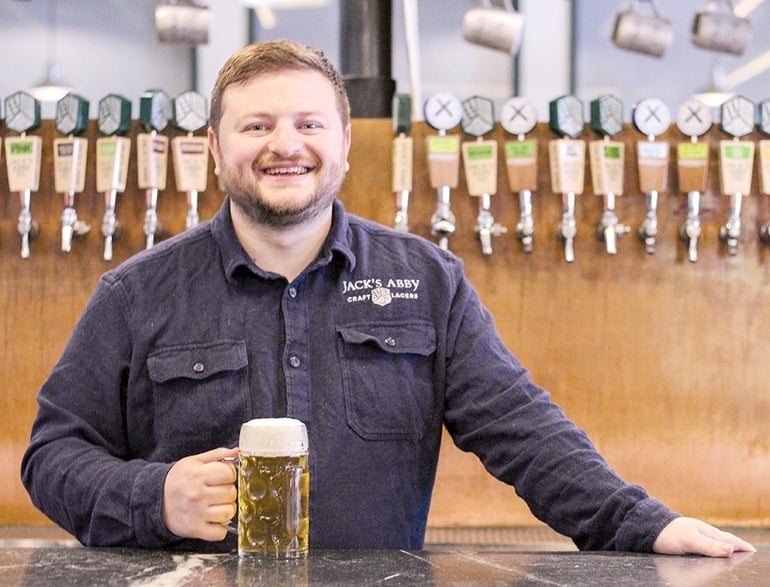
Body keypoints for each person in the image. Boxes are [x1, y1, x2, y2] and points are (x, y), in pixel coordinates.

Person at [21, 40, 754, 557]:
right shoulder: (135, 293)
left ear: (343, 144)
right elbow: (53, 455)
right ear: (215, 149)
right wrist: (156, 497)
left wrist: (642, 522)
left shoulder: (429, 281)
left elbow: (521, 429)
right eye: (256, 125)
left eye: (309, 124)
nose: (286, 144)